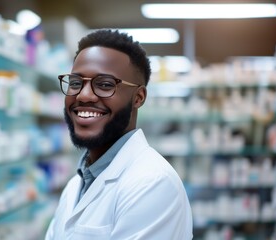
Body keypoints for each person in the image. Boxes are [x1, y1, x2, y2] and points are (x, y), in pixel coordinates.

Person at [45, 29, 193, 239]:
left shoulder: (153, 184)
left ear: (138, 97)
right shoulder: (75, 186)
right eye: (76, 83)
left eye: (105, 84)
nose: (84, 95)